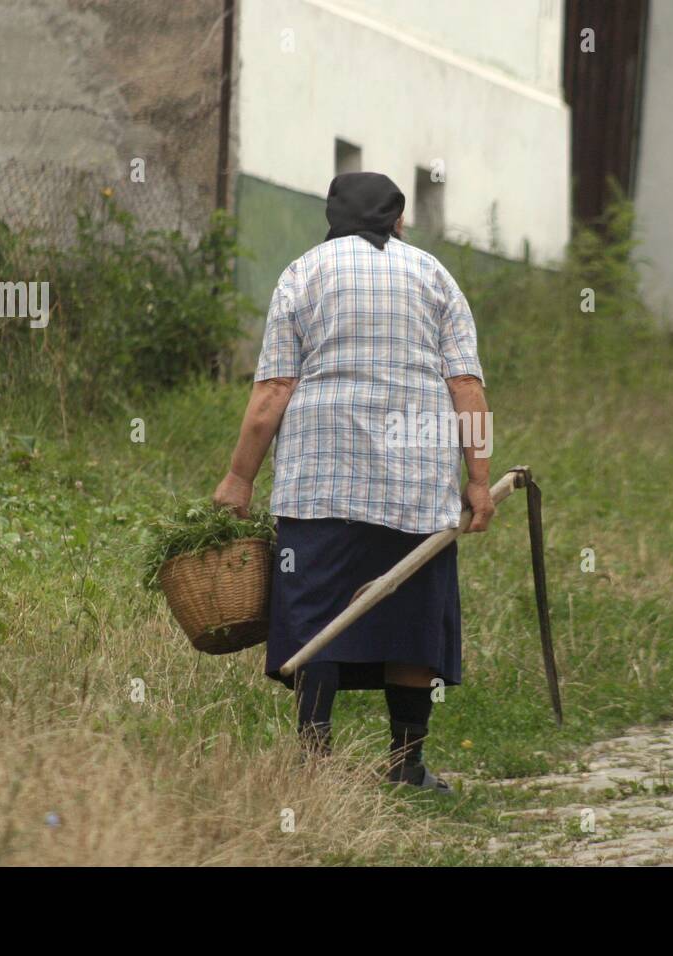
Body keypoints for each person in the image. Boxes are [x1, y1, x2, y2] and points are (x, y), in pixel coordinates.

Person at [213, 171, 494, 792]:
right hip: (415, 485)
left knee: (314, 619)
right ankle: (407, 765)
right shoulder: (434, 276)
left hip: (320, 485)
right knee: (414, 623)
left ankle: (313, 764)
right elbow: (466, 388)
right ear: (397, 220)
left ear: (332, 218)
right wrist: (478, 480)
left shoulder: (303, 273)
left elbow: (274, 390)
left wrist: (239, 478)